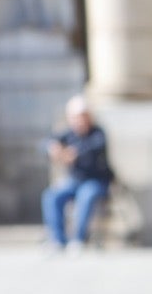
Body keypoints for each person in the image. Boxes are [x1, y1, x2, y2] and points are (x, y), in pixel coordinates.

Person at [42, 95, 115, 252]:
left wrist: (74, 154)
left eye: (83, 116)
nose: (80, 121)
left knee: (86, 195)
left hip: (97, 181)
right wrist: (53, 148)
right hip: (75, 181)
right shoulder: (68, 134)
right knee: (52, 196)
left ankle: (78, 239)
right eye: (76, 117)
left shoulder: (98, 133)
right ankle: (58, 239)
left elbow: (94, 148)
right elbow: (47, 143)